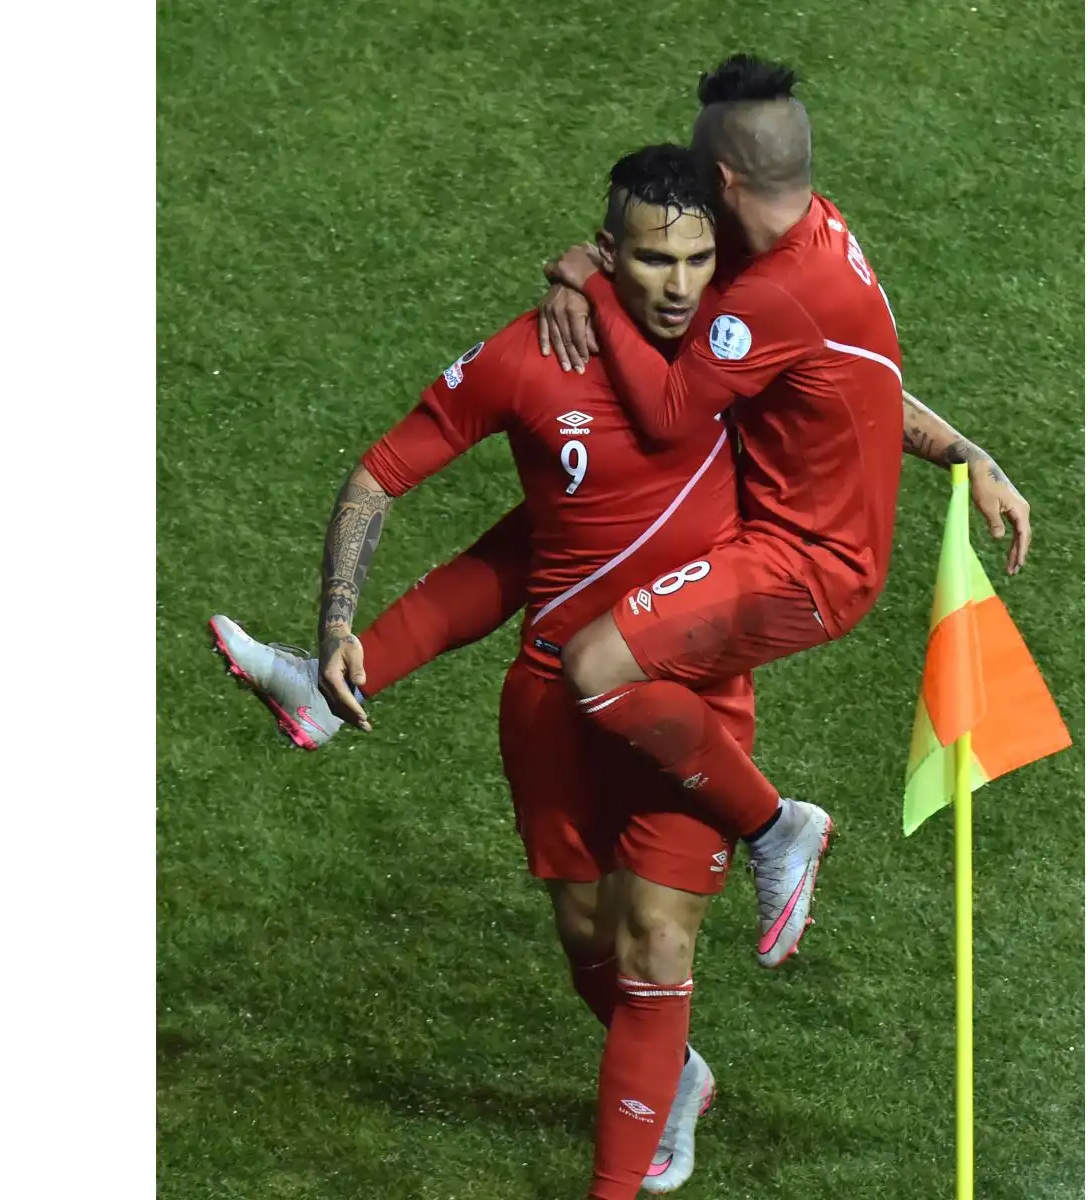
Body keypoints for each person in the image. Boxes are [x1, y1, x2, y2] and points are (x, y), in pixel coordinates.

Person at [216, 144, 752, 1198]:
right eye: (651, 261)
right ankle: (674, 1076)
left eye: (696, 259)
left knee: (655, 939)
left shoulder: (739, 339)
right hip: (555, 692)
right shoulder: (532, 354)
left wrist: (969, 455)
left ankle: (622, 1160)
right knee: (586, 936)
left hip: (689, 696)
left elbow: (859, 388)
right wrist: (336, 626)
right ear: (608, 255)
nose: (679, 286)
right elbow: (379, 474)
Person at [530, 54, 1033, 968]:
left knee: (595, 667)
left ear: (724, 181)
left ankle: (775, 826)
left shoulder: (775, 294)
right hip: (773, 541)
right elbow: (864, 383)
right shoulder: (818, 237)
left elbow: (671, 408)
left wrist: (594, 286)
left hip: (805, 569)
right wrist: (968, 451)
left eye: (694, 177)